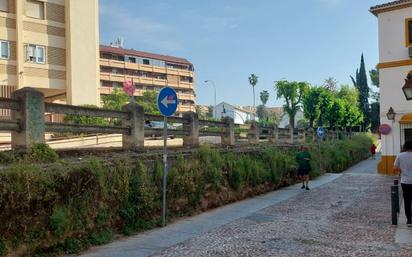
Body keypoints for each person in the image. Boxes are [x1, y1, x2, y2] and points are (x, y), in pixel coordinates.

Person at [393, 140, 412, 227]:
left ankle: (409, 220)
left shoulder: (400, 156)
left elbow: (395, 167)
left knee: (407, 200)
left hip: (405, 181)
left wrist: (401, 170)